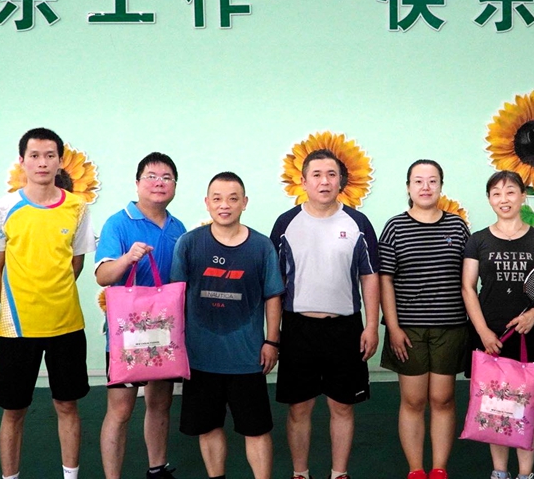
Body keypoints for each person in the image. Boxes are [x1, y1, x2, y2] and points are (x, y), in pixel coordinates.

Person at [0, 128, 96, 479]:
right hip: (17, 328)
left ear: (60, 161)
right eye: (34, 155)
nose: (42, 162)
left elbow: (76, 263)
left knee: (67, 405)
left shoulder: (78, 208)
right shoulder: (1, 209)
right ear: (22, 161)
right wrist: (14, 306)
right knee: (14, 410)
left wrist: (53, 293)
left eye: (49, 155)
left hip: (67, 324)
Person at [270, 148, 380, 479]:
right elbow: (273, 285)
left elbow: (369, 276)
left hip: (345, 329)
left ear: (341, 181)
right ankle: (300, 473)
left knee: (342, 406)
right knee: (299, 408)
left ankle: (339, 473)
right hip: (298, 329)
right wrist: (272, 336)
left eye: (331, 174)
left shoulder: (358, 223)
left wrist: (371, 326)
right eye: (316, 175)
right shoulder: (286, 224)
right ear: (303, 181)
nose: (324, 181)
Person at [171, 172, 284, 479]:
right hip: (201, 357)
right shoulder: (189, 243)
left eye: (233, 199)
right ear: (207, 203)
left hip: (247, 358)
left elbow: (273, 296)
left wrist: (271, 342)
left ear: (244, 203)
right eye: (217, 199)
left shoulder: (261, 246)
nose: (225, 205)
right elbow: (176, 295)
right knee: (208, 426)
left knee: (257, 429)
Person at [461, 171, 534, 479]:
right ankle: (500, 472)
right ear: (489, 199)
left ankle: (525, 473)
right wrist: (483, 332)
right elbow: (468, 287)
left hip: (530, 335)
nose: (504, 199)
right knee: (495, 406)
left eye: (511, 192)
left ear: (522, 196)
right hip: (492, 336)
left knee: (526, 406)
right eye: (497, 193)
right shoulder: (478, 240)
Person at [95, 152, 186, 479]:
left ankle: (157, 469)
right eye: (151, 176)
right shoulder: (118, 223)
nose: (159, 183)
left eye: (167, 178)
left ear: (175, 185)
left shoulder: (178, 228)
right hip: (127, 334)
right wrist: (128, 259)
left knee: (160, 403)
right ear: (137, 183)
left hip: (165, 332)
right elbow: (102, 276)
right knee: (120, 410)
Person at [378, 160, 470, 479]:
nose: (426, 187)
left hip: (450, 327)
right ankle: (416, 469)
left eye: (432, 181)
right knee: (414, 400)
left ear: (441, 186)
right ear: (408, 187)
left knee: (442, 399)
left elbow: (468, 279)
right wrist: (393, 327)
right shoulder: (394, 227)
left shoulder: (457, 227)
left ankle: (439, 468)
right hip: (408, 329)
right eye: (418, 181)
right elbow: (385, 280)